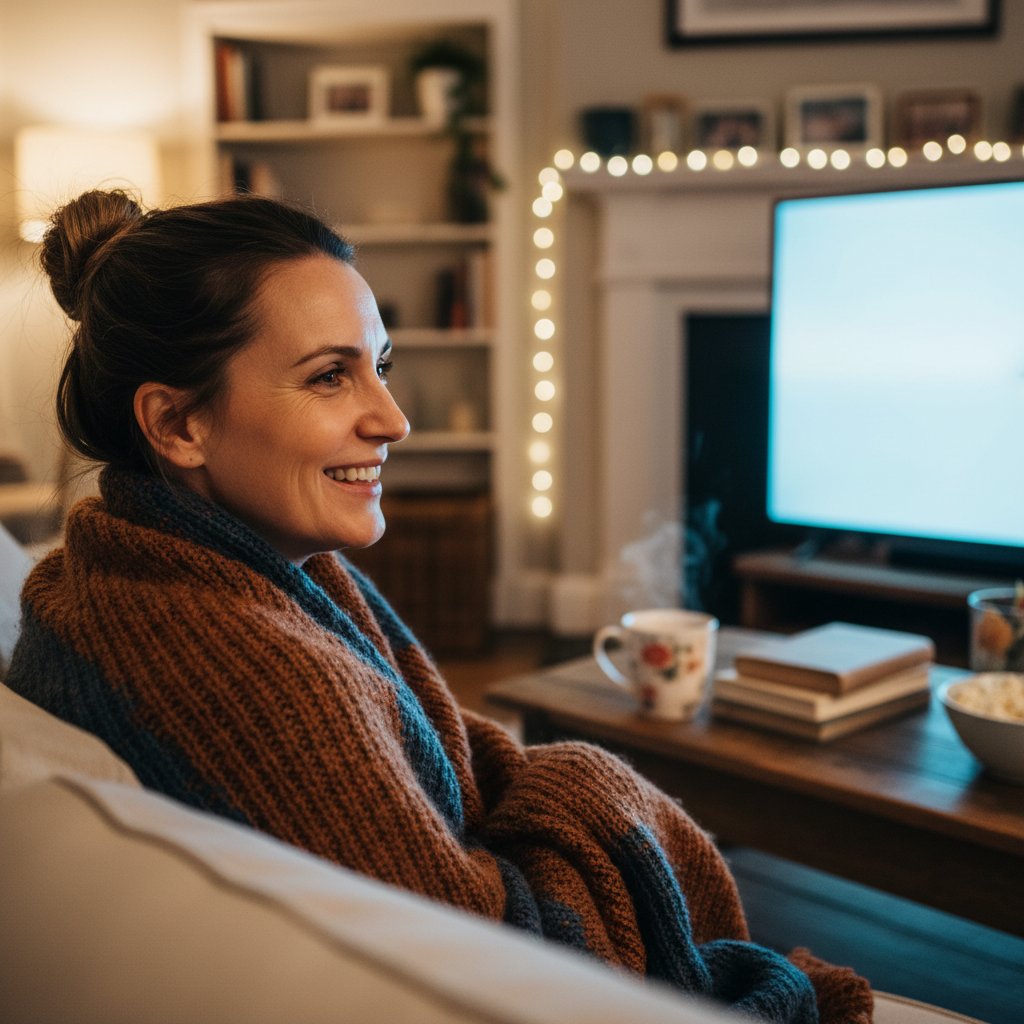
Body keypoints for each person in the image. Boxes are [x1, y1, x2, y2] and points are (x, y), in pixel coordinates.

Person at [7, 190, 870, 1024]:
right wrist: (583, 783)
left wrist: (534, 785)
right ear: (177, 425)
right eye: (329, 377)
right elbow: (495, 950)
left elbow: (431, 748)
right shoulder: (237, 671)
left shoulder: (150, 574)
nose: (393, 419)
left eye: (379, 367)